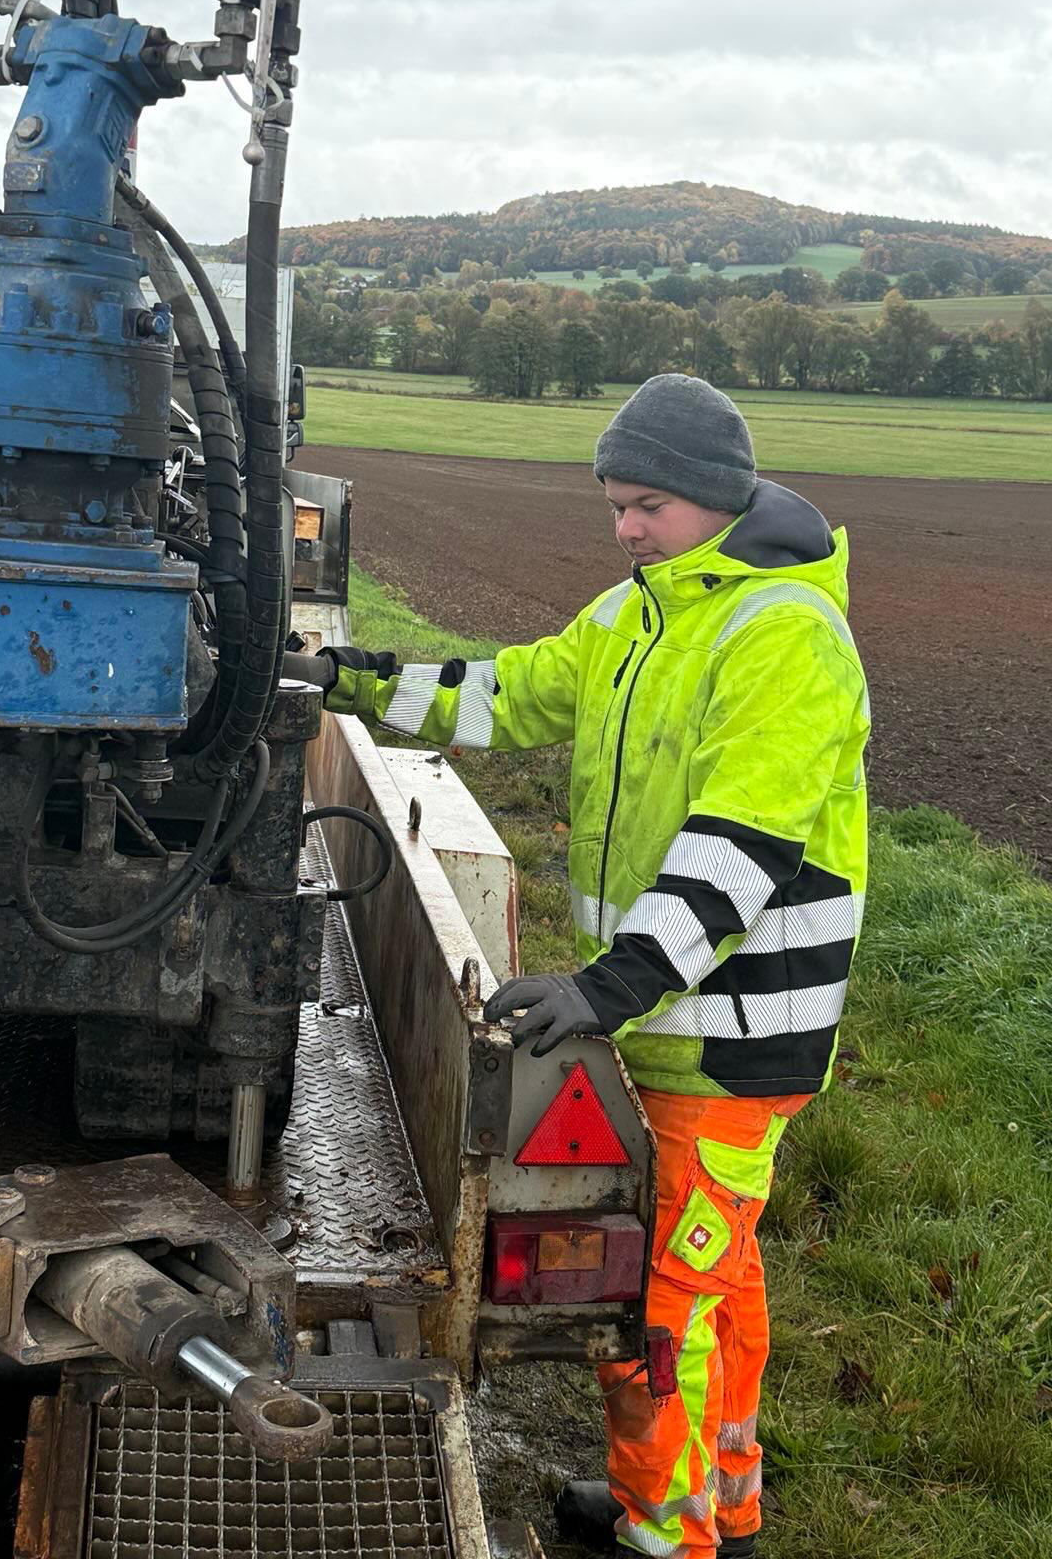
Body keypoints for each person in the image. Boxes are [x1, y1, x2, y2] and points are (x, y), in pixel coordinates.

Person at [284, 373, 870, 1559]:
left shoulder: (784, 636)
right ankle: (722, 1499)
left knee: (662, 1307)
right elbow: (501, 692)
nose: (625, 529)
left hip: (733, 1035)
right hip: (675, 1013)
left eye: (644, 504)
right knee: (718, 1273)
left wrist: (605, 987)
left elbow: (739, 851)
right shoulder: (640, 615)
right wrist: (342, 677)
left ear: (713, 495)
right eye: (614, 505)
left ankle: (670, 1534)